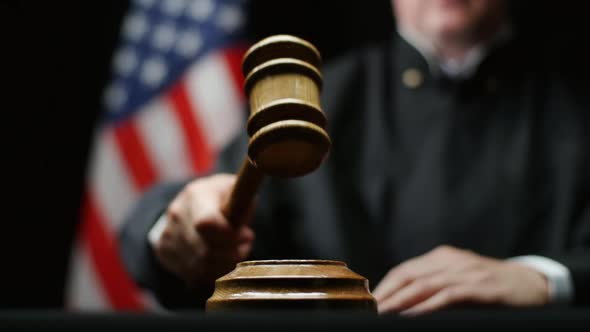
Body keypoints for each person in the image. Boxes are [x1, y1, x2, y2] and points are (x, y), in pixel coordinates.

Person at [119, 0, 590, 314]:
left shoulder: (576, 102)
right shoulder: (319, 96)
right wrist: (172, 229)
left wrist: (547, 280)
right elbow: (201, 217)